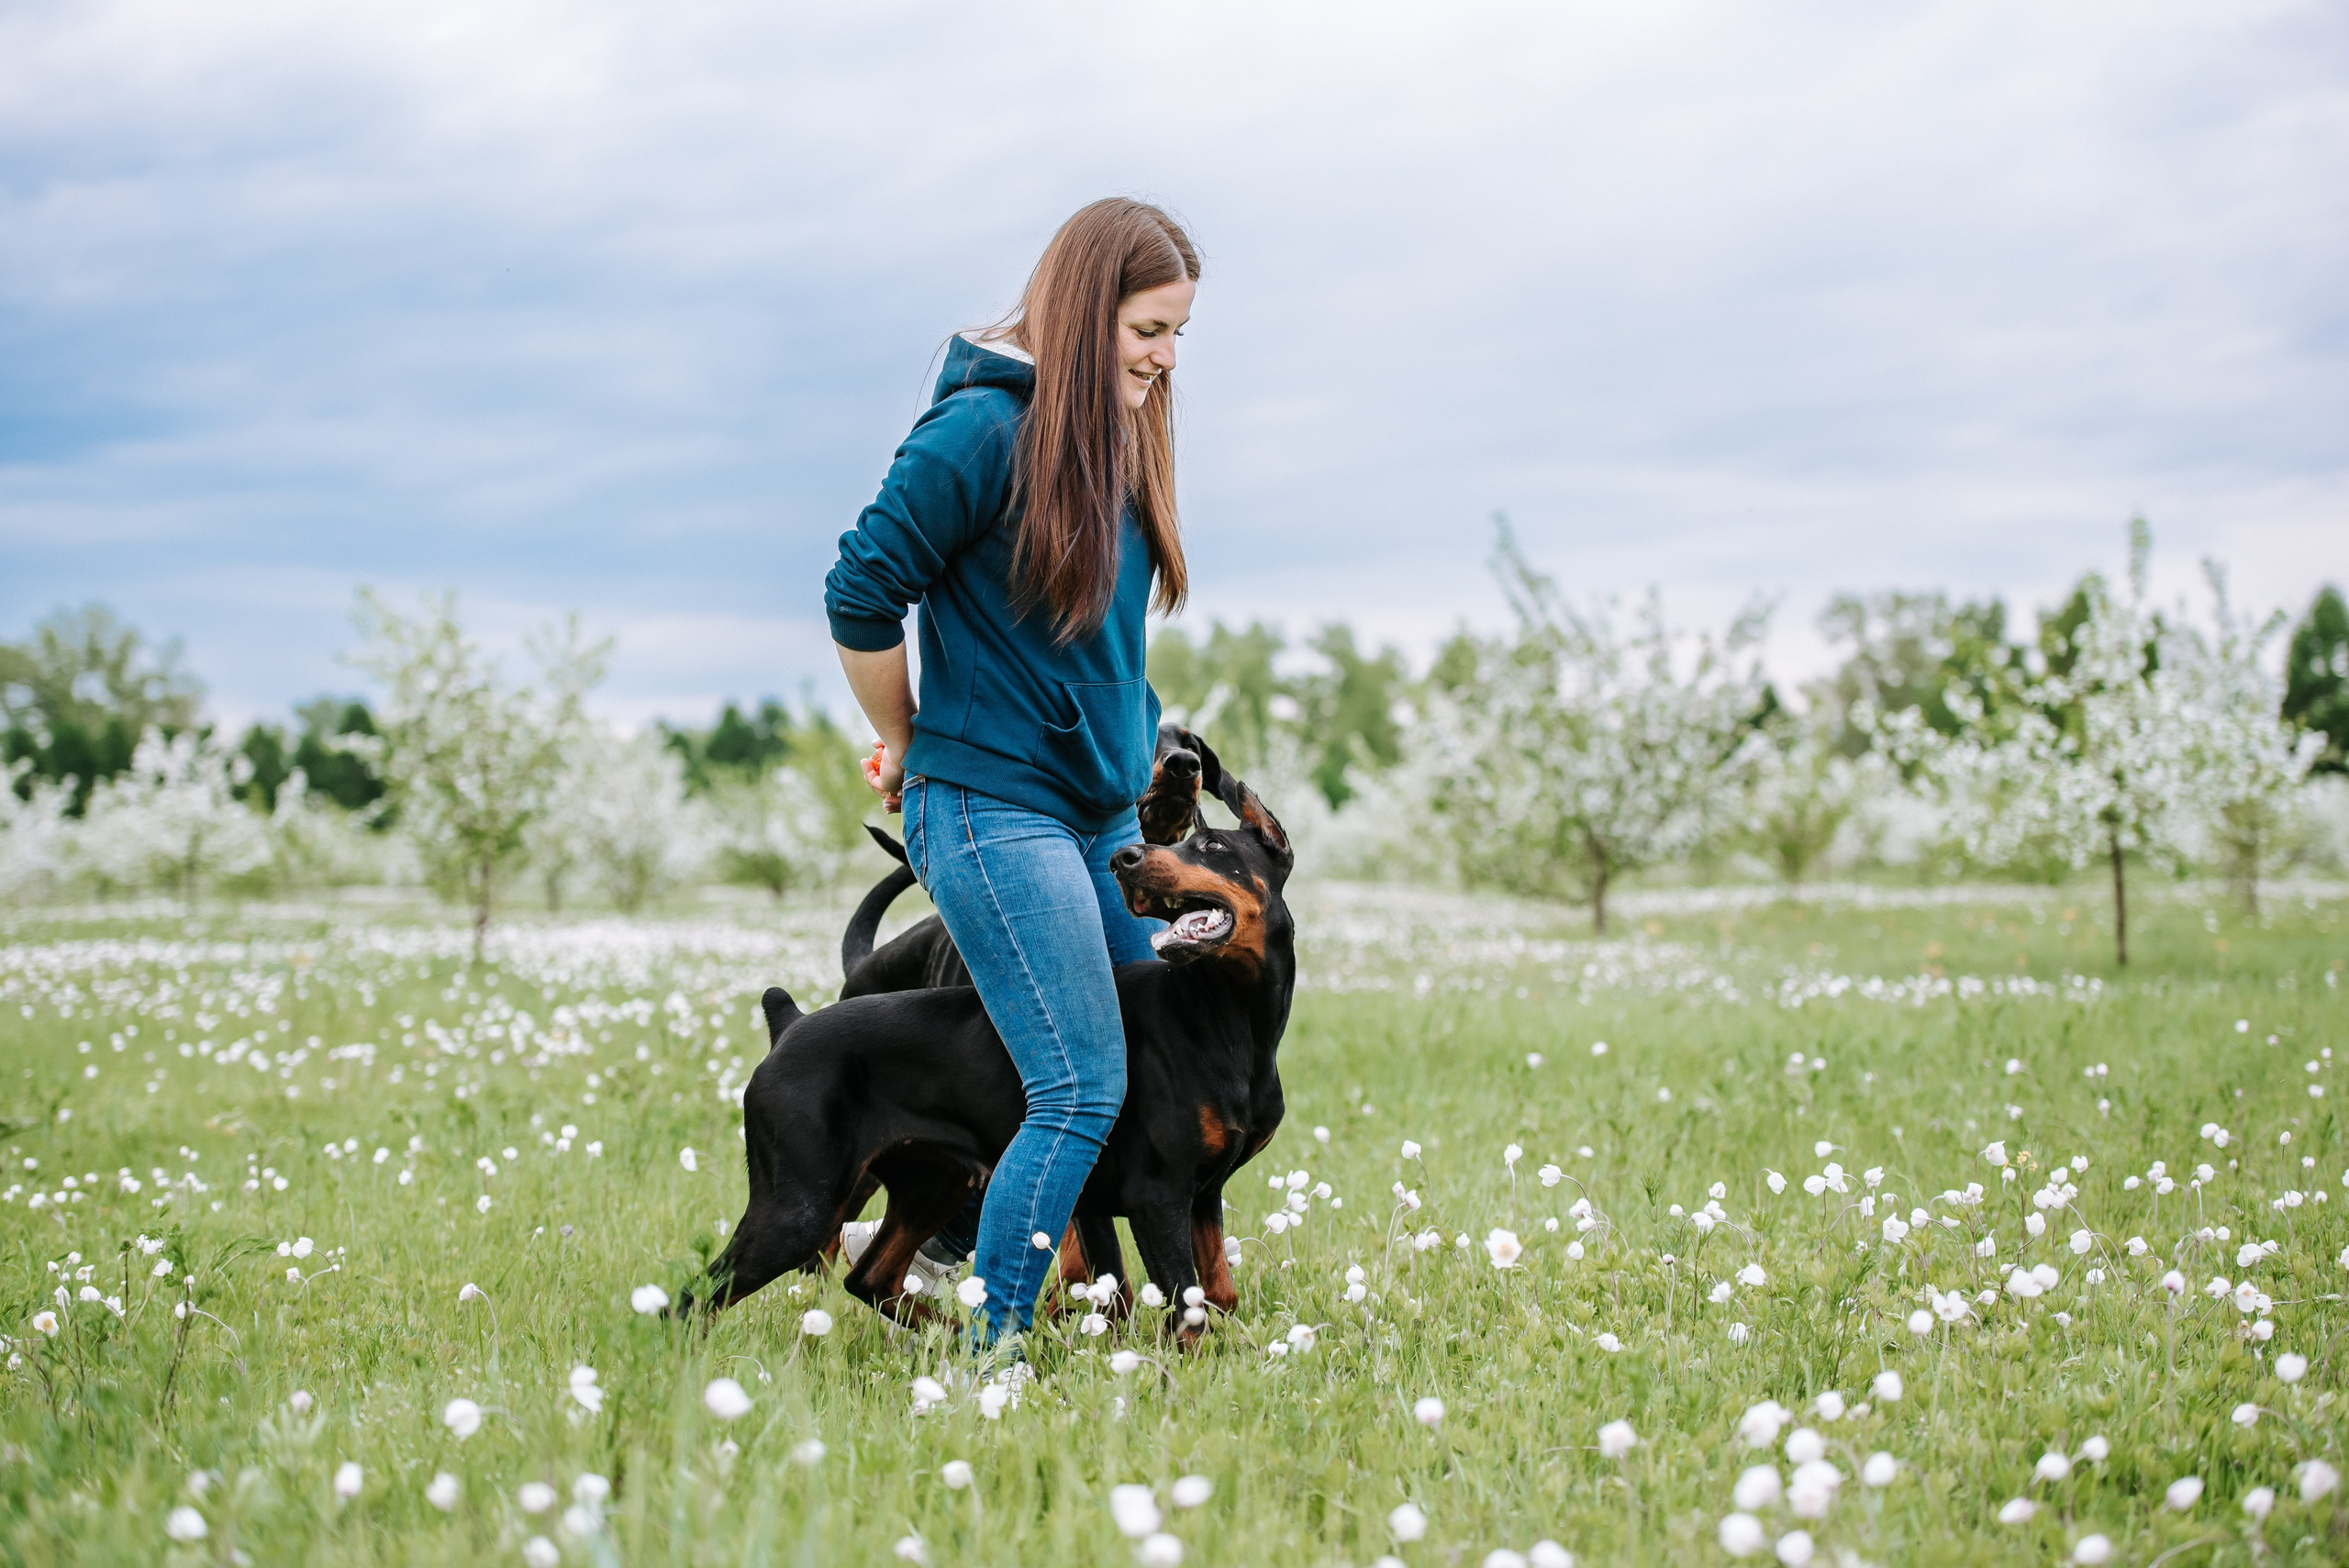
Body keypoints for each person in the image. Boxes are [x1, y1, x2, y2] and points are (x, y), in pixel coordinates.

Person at [823, 197, 1199, 1351]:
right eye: (1148, 327)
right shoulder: (982, 431)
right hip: (990, 808)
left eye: (1180, 332)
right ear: (1088, 312)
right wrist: (909, 733)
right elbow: (859, 591)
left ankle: (1019, 1257)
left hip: (1093, 816)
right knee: (1081, 1084)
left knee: (1151, 1061)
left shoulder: (1113, 433)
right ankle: (998, 1354)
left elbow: (1094, 647)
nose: (1165, 355)